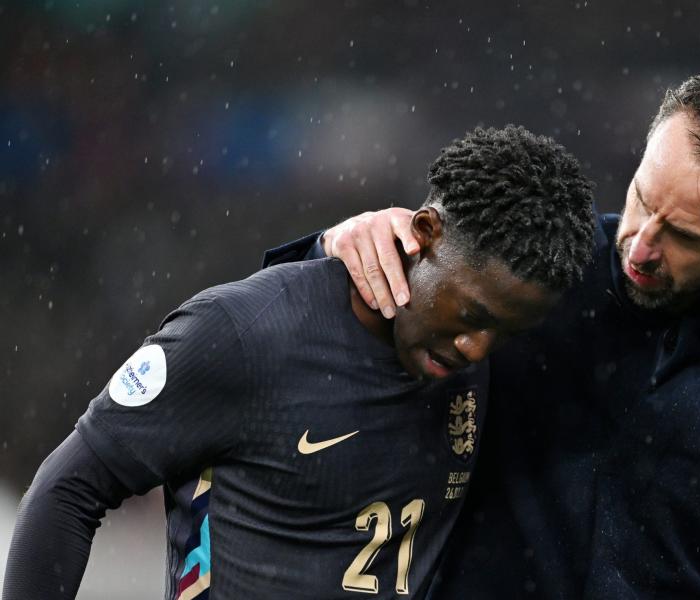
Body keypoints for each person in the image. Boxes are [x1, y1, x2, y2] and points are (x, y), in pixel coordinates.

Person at [266, 57, 700, 598]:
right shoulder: (535, 271)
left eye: (685, 236)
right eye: (641, 198)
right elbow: (290, 325)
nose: (641, 247)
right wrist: (331, 248)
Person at [2, 125, 596, 600]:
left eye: (505, 331)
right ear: (425, 232)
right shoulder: (243, 333)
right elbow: (69, 490)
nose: (477, 348)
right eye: (471, 314)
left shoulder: (475, 359)